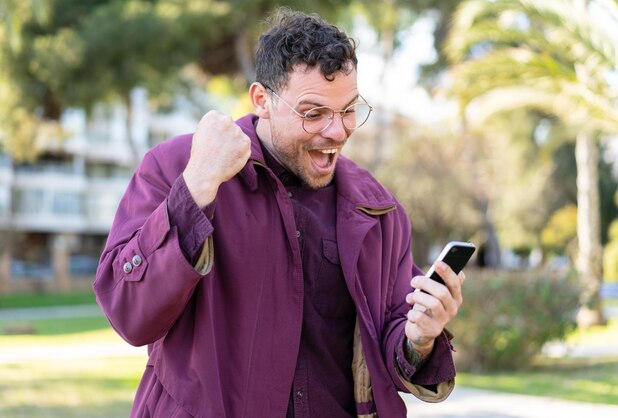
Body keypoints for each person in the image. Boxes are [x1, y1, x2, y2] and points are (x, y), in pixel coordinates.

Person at [94, 8, 465, 418]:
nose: (337, 131)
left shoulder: (378, 211)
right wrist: (195, 188)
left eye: (347, 110)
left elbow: (391, 344)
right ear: (261, 100)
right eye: (314, 113)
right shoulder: (179, 166)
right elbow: (128, 311)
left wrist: (421, 337)